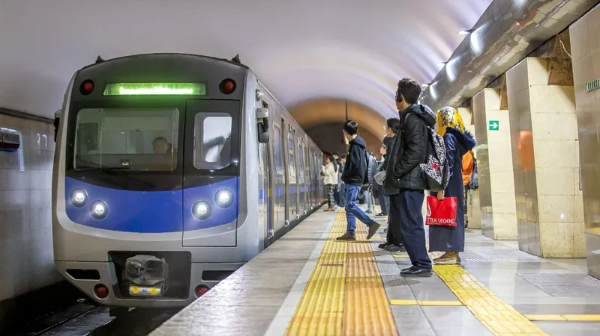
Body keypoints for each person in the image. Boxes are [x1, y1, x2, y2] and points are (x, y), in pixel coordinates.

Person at [386, 78, 435, 277]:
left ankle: (422, 263)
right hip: (409, 179)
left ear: (401, 97)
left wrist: (397, 171)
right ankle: (419, 262)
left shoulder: (412, 119)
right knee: (409, 223)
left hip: (410, 179)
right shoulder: (409, 117)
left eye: (397, 94)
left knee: (411, 223)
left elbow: (415, 151)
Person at [429, 107, 476, 265]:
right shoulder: (454, 137)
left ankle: (451, 252)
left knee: (450, 216)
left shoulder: (448, 137)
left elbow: (446, 162)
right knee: (452, 215)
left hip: (448, 184)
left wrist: (441, 187)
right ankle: (451, 251)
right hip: (453, 183)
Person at [337, 120, 381, 241]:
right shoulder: (357, 144)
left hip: (353, 180)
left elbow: (355, 164)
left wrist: (346, 175)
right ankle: (350, 232)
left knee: (350, 205)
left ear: (345, 132)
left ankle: (370, 223)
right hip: (354, 179)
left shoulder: (355, 146)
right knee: (348, 206)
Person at [379, 118, 405, 252]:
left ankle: (399, 241)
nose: (385, 129)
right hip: (393, 183)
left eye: (386, 127)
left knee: (396, 213)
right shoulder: (394, 142)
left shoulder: (396, 142)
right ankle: (392, 240)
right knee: (393, 213)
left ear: (390, 129)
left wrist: (394, 176)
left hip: (395, 183)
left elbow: (393, 163)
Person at [462, 150, 475, 228]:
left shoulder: (466, 153)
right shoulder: (467, 152)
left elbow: (465, 166)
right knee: (463, 200)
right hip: (462, 179)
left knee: (463, 200)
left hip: (464, 180)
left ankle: (463, 220)